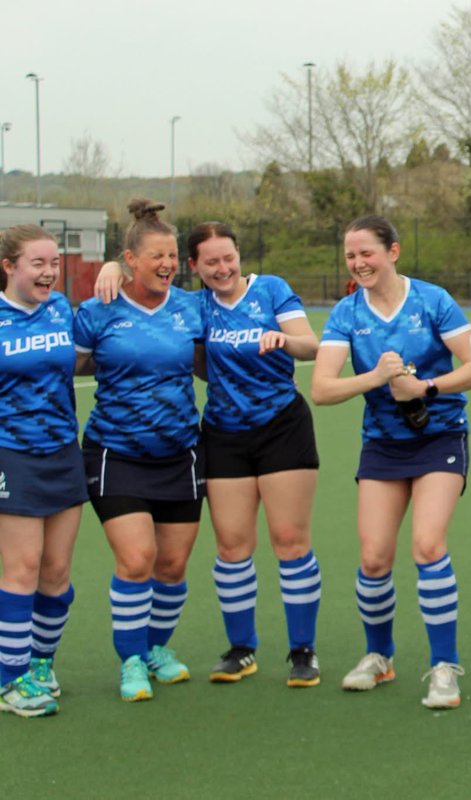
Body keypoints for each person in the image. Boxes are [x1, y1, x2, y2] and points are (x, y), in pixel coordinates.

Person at [96, 223, 325, 687]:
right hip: (222, 433)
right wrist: (110, 267)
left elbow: (310, 343)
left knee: (289, 539)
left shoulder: (271, 291)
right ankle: (241, 649)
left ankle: (303, 651)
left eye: (229, 258)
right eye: (211, 262)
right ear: (194, 267)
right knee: (232, 546)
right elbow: (146, 296)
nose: (223, 269)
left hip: (283, 426)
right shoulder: (195, 306)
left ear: (240, 255)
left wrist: (285, 341)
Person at [311, 214, 471, 710]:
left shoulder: (432, 300)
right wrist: (374, 378)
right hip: (383, 445)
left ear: (392, 251)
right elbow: (322, 388)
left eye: (366, 252)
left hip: (440, 438)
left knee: (428, 546)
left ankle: (444, 666)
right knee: (373, 558)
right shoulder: (347, 313)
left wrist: (424, 388)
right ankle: (379, 657)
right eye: (350, 255)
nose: (358, 262)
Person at [73, 199, 205, 702]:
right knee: (137, 559)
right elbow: (71, 367)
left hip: (180, 453)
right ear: (130, 259)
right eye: (157, 256)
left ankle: (156, 648)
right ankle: (130, 660)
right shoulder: (97, 311)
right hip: (116, 454)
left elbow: (207, 363)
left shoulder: (190, 307)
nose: (168, 264)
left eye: (173, 255)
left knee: (171, 566)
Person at [0, 226, 85, 718]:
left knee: (56, 573)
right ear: (9, 267)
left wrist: (115, 268)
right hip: (11, 454)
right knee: (23, 568)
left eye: (53, 262)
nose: (49, 271)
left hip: (61, 452)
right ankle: (11, 681)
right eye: (37, 263)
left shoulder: (60, 309)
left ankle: (39, 666)